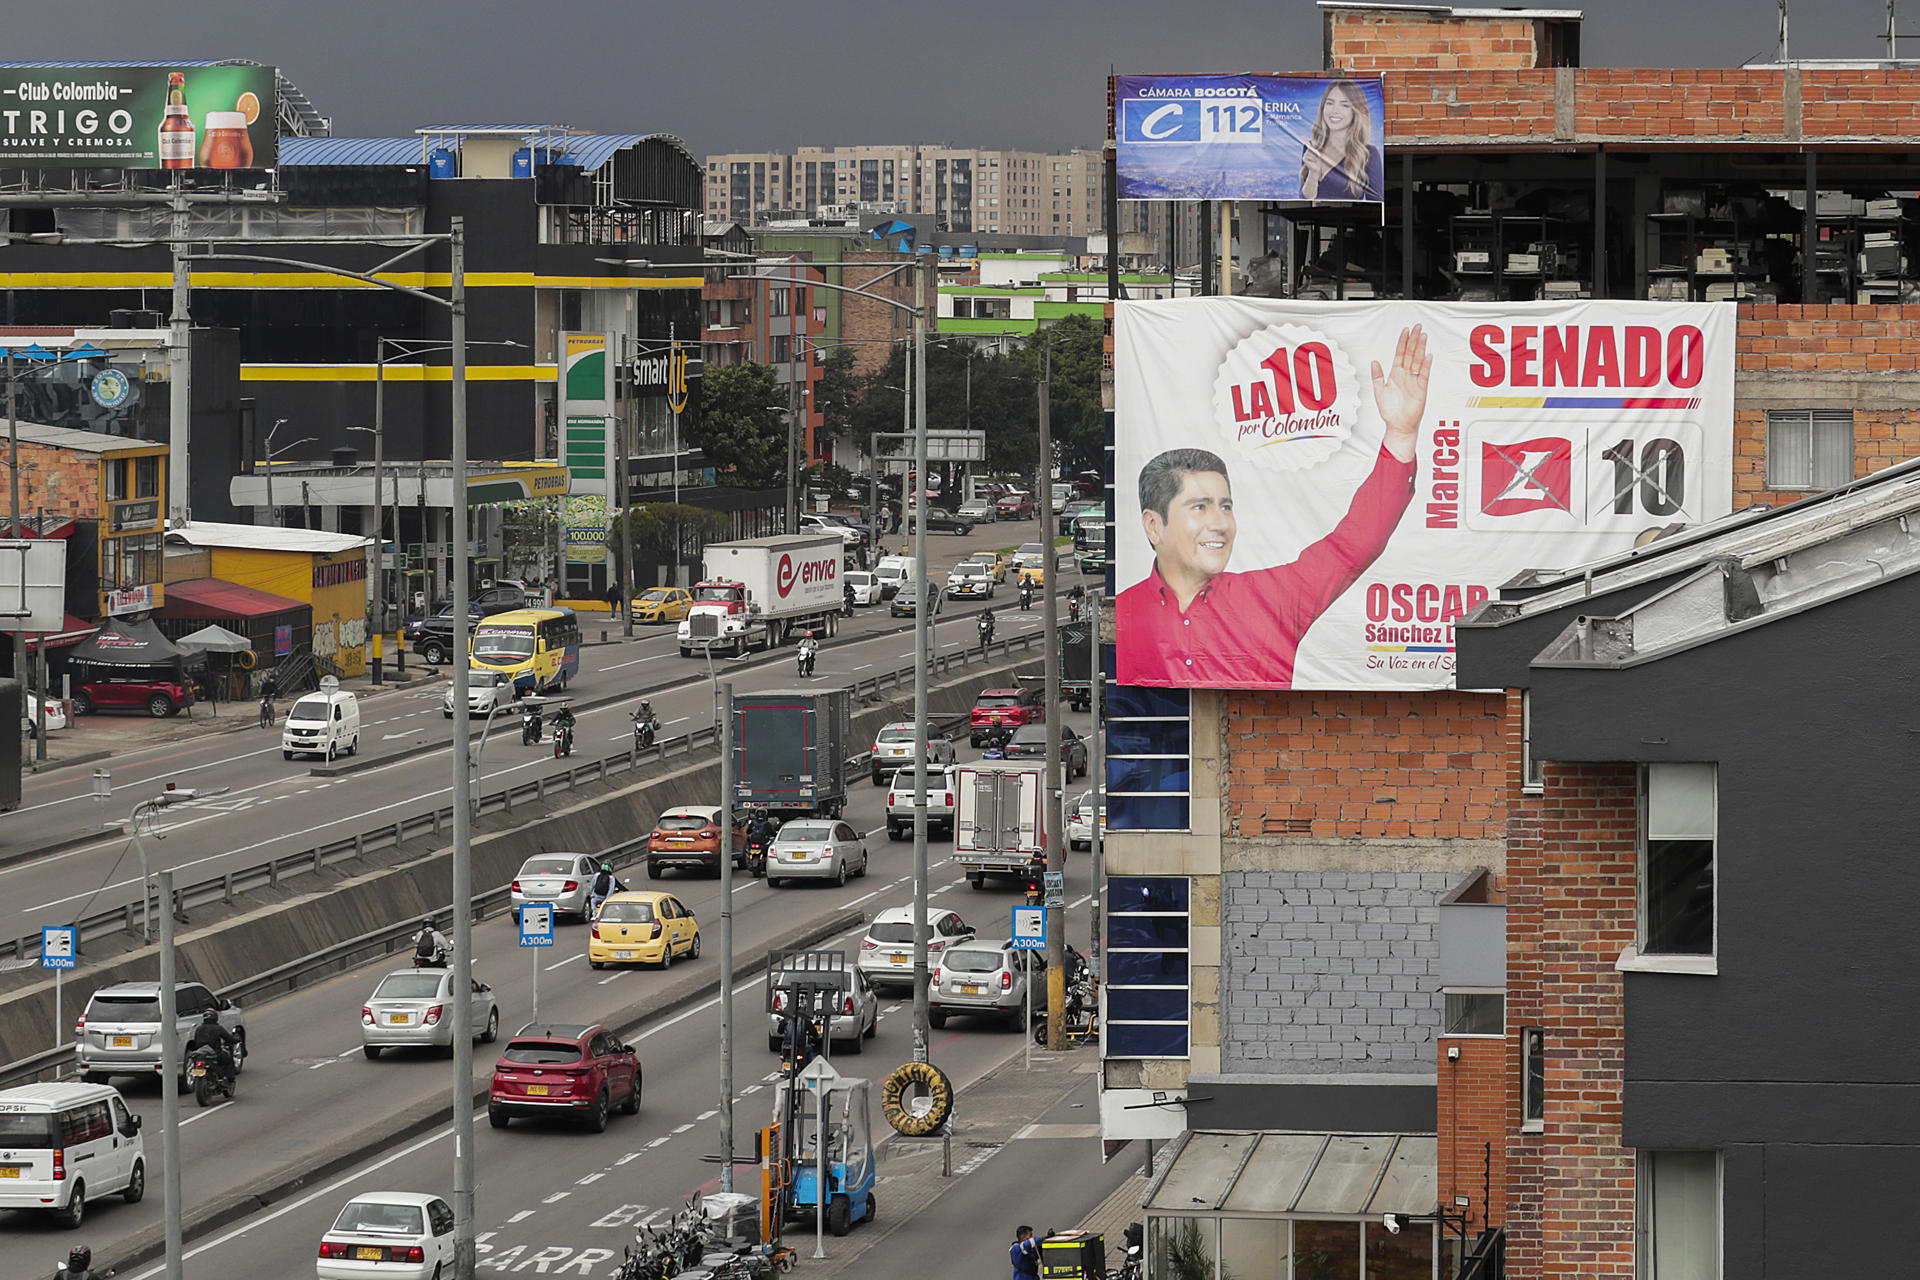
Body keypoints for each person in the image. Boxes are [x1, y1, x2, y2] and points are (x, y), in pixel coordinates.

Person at [1116, 325, 1429, 688]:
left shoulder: (1271, 599)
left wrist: (1401, 435)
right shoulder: (1124, 613)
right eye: (1200, 507)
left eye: (1226, 506)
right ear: (1154, 525)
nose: (1219, 523)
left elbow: (1354, 544)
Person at [1299, 79, 1383, 202]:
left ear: (1355, 111)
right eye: (1330, 103)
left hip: (1351, 219)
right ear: (1323, 107)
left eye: (1344, 105)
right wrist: (1314, 172)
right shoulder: (1312, 148)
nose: (1335, 111)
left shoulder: (1368, 154)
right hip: (1312, 219)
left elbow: (1376, 202)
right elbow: (1305, 199)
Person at [185, 1007, 237, 1082]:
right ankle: (229, 1079)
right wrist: (236, 1039)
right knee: (228, 1059)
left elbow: (195, 1042)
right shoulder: (218, 1028)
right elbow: (229, 1039)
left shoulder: (199, 1028)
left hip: (200, 1053)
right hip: (214, 1053)